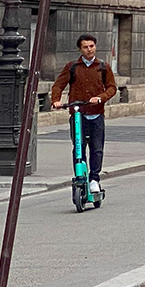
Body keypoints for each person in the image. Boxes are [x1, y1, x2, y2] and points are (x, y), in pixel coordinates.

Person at [50, 34, 117, 196]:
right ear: (80, 49)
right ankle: (80, 175)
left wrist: (100, 98)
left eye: (92, 46)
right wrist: (56, 100)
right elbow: (59, 85)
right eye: (86, 47)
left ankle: (94, 179)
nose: (89, 49)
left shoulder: (103, 66)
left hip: (96, 115)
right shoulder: (72, 67)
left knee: (96, 148)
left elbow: (112, 88)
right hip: (78, 115)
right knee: (78, 148)